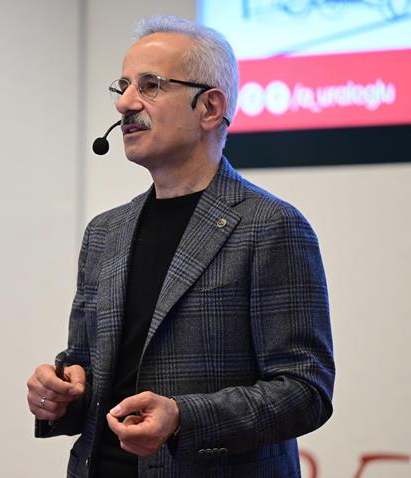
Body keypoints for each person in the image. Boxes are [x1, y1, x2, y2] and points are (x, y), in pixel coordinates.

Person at [26, 15, 334, 478]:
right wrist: (58, 393)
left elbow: (306, 391)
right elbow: (84, 367)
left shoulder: (271, 226)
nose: (125, 103)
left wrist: (183, 419)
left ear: (210, 107)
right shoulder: (105, 232)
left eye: (150, 85)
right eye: (123, 86)